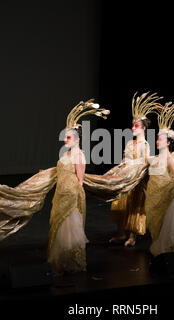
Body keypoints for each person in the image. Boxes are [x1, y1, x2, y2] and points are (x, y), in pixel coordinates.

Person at [47, 99, 109, 275]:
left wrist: (74, 200)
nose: (65, 139)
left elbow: (79, 180)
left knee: (70, 230)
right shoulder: (66, 153)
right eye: (65, 136)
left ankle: (71, 262)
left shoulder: (79, 155)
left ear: (77, 139)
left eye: (68, 137)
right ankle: (61, 262)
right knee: (60, 229)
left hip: (71, 197)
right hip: (60, 195)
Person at [110, 92, 162, 247]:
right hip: (125, 177)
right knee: (119, 204)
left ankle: (132, 235)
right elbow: (125, 159)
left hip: (136, 179)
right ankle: (120, 233)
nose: (133, 128)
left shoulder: (144, 145)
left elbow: (144, 164)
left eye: (136, 126)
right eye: (132, 125)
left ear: (144, 128)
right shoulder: (130, 143)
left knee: (134, 207)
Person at [145, 99, 174, 256]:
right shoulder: (156, 157)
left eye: (161, 139)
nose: (158, 141)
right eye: (158, 139)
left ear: (169, 142)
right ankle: (159, 243)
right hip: (154, 194)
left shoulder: (169, 159)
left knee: (165, 221)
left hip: (165, 193)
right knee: (157, 221)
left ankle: (167, 247)